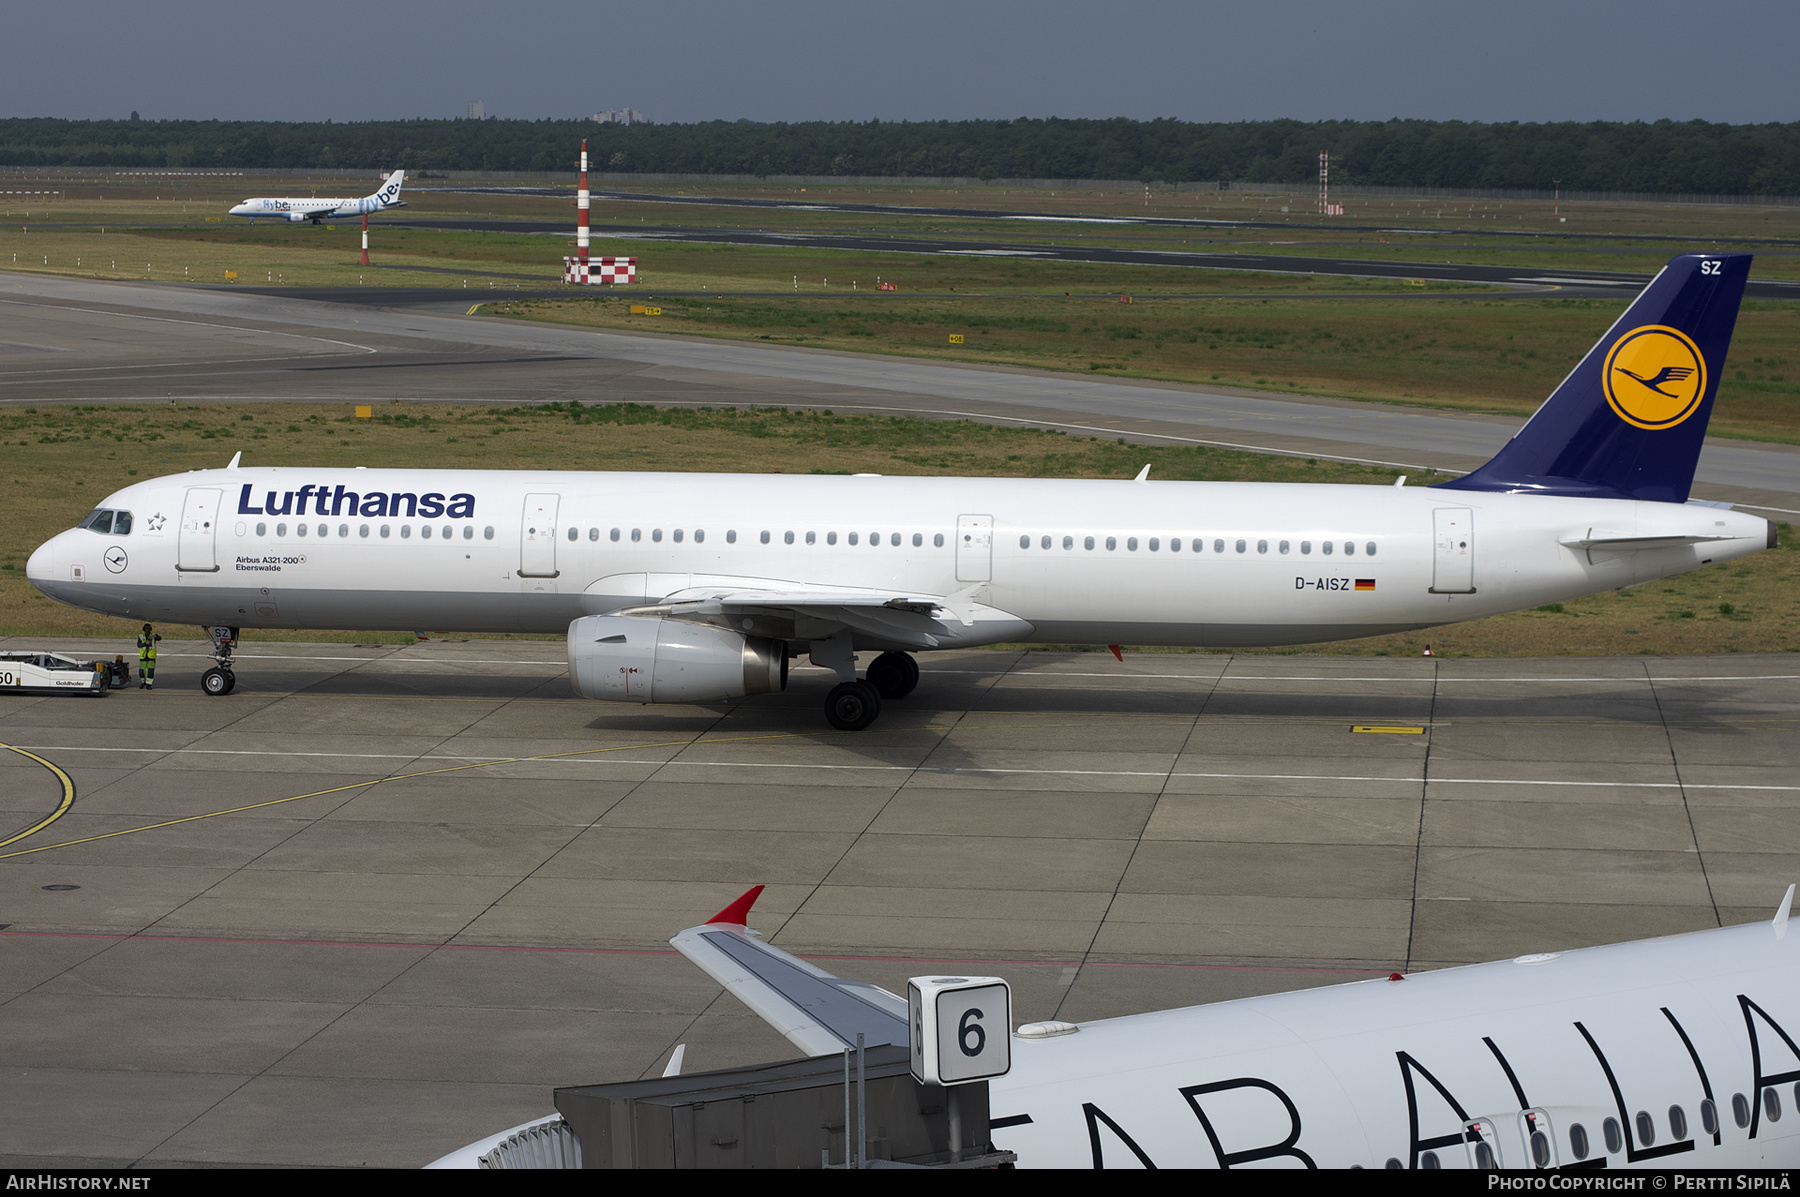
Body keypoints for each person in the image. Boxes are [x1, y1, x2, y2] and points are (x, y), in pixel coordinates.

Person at [137, 623, 160, 690]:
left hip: (151, 656)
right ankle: (142, 682)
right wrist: (145, 644)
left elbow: (159, 638)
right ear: (144, 629)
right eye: (146, 628)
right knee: (141, 671)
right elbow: (138, 645)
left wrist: (156, 636)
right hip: (143, 656)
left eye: (149, 628)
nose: (147, 630)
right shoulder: (141, 636)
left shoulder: (153, 635)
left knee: (150, 671)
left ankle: (148, 684)